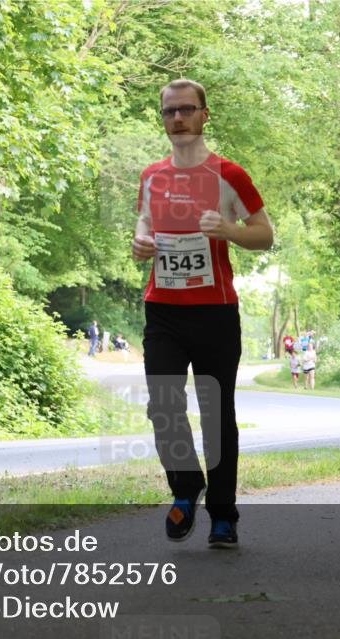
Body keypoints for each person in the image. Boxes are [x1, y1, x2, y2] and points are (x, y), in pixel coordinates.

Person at [132, 78, 273, 548]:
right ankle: (187, 486)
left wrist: (229, 230)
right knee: (164, 407)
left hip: (215, 312)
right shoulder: (151, 176)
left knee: (216, 413)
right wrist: (140, 246)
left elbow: (264, 235)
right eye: (170, 112)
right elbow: (142, 235)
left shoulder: (229, 174)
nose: (178, 119)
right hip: (163, 311)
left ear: (204, 114)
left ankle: (223, 515)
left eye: (187, 110)